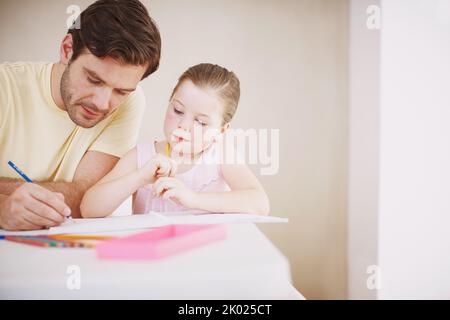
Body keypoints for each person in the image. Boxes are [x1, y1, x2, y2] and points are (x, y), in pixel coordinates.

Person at [0, 0, 161, 230]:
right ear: (67, 50)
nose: (102, 103)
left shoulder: (130, 103)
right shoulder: (5, 87)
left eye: (121, 91)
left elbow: (86, 201)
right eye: (94, 80)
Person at [80, 63, 270, 217]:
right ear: (169, 102)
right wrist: (140, 177)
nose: (184, 125)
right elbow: (89, 209)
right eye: (178, 110)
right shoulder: (143, 156)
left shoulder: (221, 155)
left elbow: (260, 204)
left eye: (201, 122)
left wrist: (193, 199)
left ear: (221, 130)